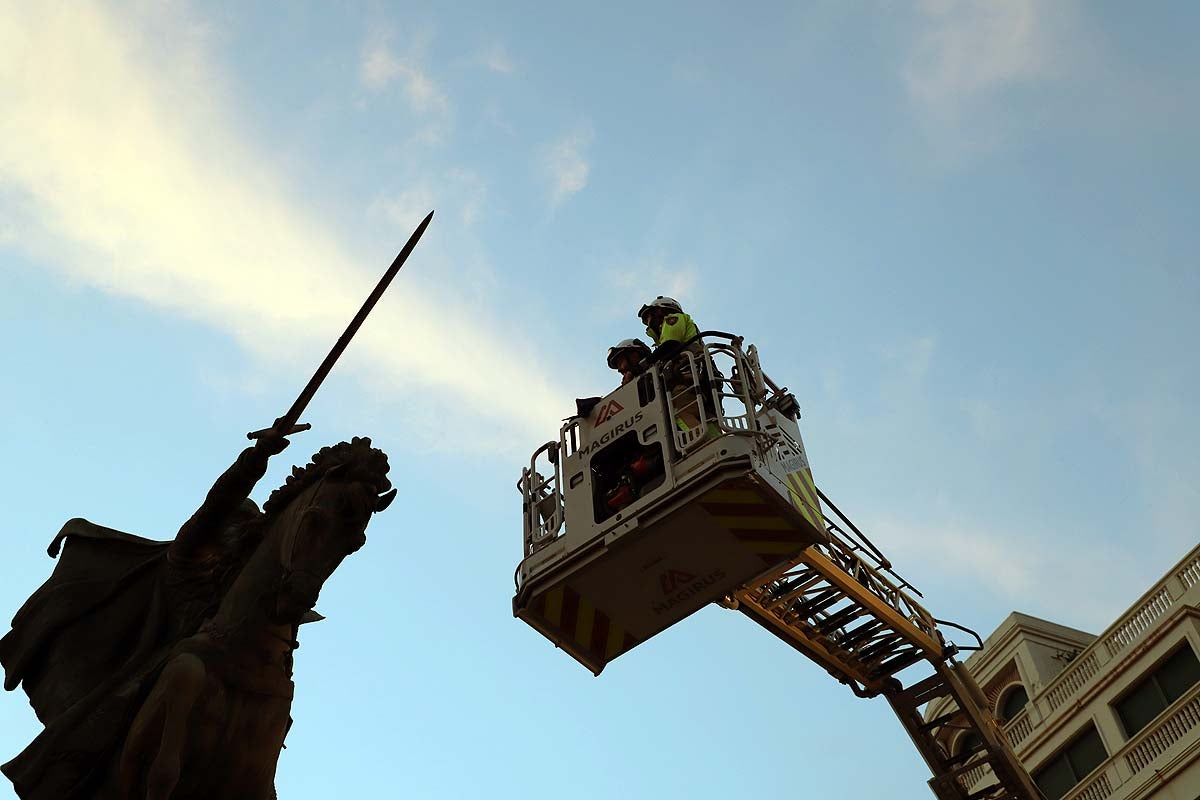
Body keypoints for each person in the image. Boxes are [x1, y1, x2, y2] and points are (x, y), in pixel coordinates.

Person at [636, 296, 717, 437]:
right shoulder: (684, 326)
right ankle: (717, 440)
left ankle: (704, 442)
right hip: (697, 380)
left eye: (649, 316)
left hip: (684, 380)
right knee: (704, 416)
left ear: (660, 311)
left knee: (679, 413)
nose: (648, 324)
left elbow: (671, 345)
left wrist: (643, 366)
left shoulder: (672, 319)